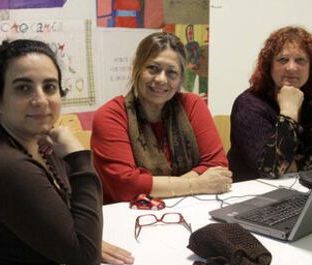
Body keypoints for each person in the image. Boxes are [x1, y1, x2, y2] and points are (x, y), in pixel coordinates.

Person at [0, 39, 133, 265]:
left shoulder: (40, 141)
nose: (41, 100)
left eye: (50, 87)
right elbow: (85, 252)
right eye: (23, 88)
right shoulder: (3, 165)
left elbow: (69, 224)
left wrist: (75, 239)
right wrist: (79, 156)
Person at [91, 32, 232, 204]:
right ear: (137, 68)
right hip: (129, 217)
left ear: (180, 78)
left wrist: (160, 188)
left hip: (189, 209)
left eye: (171, 72)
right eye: (153, 68)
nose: (161, 79)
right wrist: (198, 184)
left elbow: (217, 165)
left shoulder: (193, 105)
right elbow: (126, 186)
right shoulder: (110, 116)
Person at [227, 26, 312, 182]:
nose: (291, 67)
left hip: (311, 187)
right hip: (255, 195)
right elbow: (271, 169)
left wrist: (292, 164)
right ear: (269, 66)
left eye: (300, 60)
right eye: (282, 60)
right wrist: (288, 112)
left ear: (311, 67)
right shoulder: (248, 104)